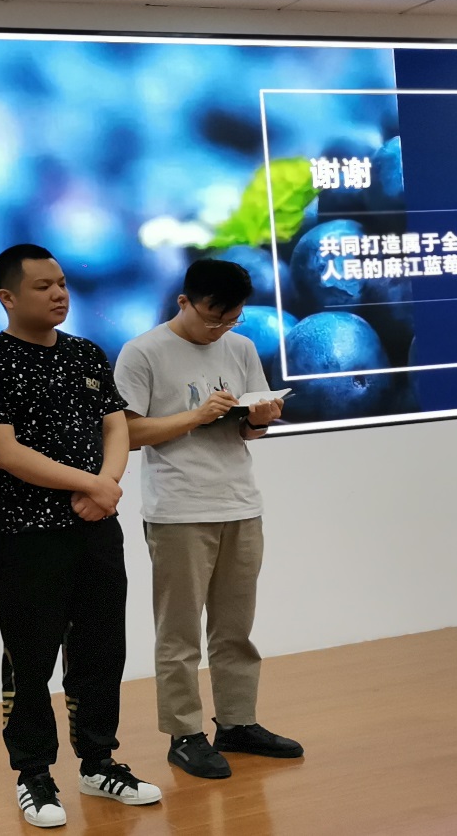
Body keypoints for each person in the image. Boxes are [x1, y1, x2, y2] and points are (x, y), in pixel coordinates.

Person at [0, 244, 162, 829]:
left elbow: (116, 428)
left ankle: (98, 762)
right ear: (7, 297)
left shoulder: (86, 354)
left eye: (63, 283)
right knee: (30, 658)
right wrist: (91, 484)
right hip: (27, 536)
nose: (59, 294)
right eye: (43, 286)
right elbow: (5, 451)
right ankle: (33, 774)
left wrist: (106, 485)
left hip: (96, 529)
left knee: (101, 649)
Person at [114, 258, 304, 780]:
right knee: (179, 635)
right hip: (178, 510)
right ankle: (184, 734)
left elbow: (249, 429)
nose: (220, 328)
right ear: (184, 302)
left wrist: (260, 420)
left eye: (231, 318)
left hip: (241, 502)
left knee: (235, 629)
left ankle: (238, 723)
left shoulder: (240, 348)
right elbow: (126, 432)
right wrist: (196, 415)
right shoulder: (142, 352)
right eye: (211, 317)